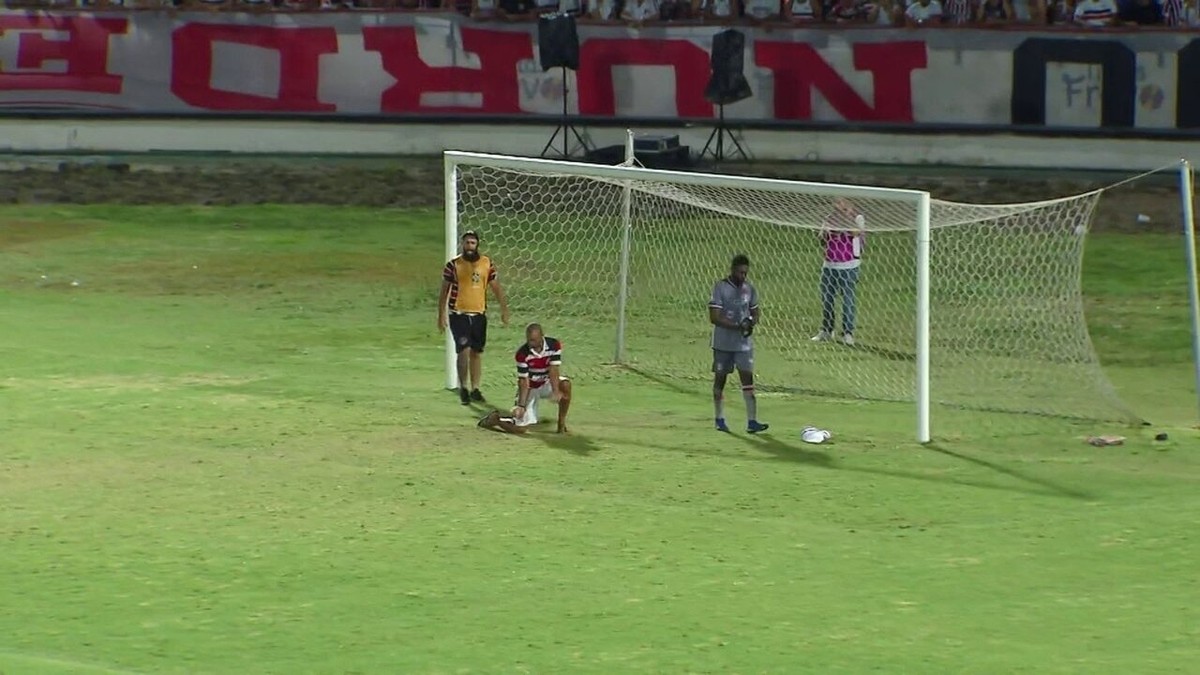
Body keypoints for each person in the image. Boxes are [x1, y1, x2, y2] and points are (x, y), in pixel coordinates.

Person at [437, 230, 510, 405]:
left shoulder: (486, 263)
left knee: (476, 352)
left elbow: (495, 286)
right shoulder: (453, 265)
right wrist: (441, 314)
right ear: (462, 245)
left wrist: (504, 309)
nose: (470, 246)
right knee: (463, 350)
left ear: (477, 245)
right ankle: (463, 387)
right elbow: (444, 290)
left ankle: (476, 388)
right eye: (467, 243)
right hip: (459, 314)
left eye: (473, 243)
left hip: (479, 315)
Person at [708, 254, 768, 434]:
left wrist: (750, 322)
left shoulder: (749, 289)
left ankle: (752, 421)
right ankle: (719, 418)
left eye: (745, 273)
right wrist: (737, 326)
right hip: (723, 343)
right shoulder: (720, 288)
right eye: (740, 272)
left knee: (747, 380)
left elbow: (755, 312)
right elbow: (714, 317)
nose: (743, 276)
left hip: (743, 345)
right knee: (720, 379)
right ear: (732, 270)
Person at [478, 323, 573, 434]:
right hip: (530, 388)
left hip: (545, 383)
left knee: (566, 384)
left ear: (542, 336)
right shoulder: (522, 354)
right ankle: (496, 420)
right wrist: (521, 406)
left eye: (533, 340)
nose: (530, 343)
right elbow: (524, 381)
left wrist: (556, 391)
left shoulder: (554, 345)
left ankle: (561, 424)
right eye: (529, 340)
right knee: (521, 430)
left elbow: (554, 369)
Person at [812, 198, 865, 346]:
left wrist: (844, 221)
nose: (838, 206)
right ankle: (827, 330)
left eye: (842, 203)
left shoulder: (857, 218)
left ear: (850, 204)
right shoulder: (829, 218)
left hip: (849, 265)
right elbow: (821, 240)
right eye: (836, 203)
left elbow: (857, 235)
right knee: (827, 298)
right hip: (829, 264)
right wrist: (824, 233)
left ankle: (848, 333)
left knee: (848, 299)